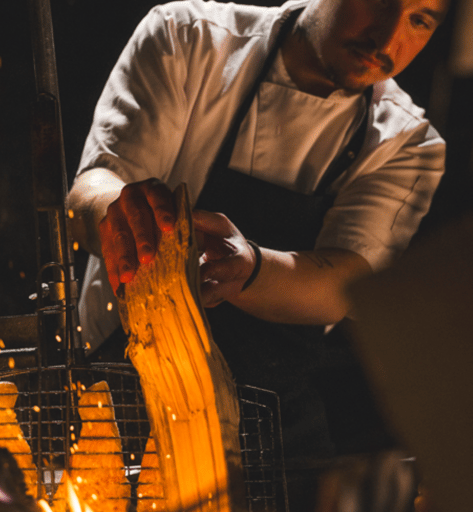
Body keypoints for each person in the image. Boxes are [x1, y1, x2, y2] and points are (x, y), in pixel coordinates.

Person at [67, 0, 447, 508]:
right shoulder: (188, 37)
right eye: (378, 2)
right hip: (119, 402)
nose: (386, 39)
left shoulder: (407, 143)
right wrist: (117, 212)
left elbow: (348, 283)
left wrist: (249, 269)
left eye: (419, 20)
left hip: (276, 430)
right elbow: (91, 187)